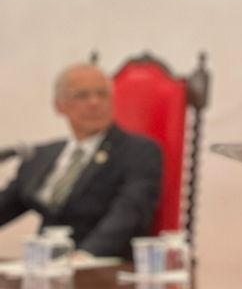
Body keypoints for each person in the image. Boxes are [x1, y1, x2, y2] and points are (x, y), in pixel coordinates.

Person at [0, 63, 163, 259]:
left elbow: (129, 212)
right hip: (43, 264)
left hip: (102, 265)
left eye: (102, 94)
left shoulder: (138, 151)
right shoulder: (41, 155)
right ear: (59, 106)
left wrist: (85, 255)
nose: (94, 102)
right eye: (81, 95)